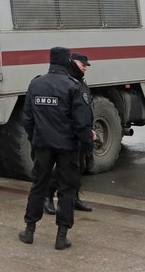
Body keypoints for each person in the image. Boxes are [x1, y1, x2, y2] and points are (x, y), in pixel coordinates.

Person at [19, 47, 94, 250]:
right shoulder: (73, 86)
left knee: (38, 186)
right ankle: (61, 237)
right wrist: (88, 146)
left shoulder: (36, 83)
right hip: (67, 147)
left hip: (42, 145)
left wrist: (35, 138)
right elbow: (82, 123)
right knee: (66, 190)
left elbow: (27, 118)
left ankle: (29, 231)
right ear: (67, 61)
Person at [44, 52, 95, 215]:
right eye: (83, 64)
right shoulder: (68, 82)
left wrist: (88, 129)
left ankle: (73, 198)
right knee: (63, 168)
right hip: (68, 134)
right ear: (73, 63)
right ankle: (48, 196)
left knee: (79, 166)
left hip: (80, 131)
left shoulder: (80, 82)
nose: (86, 67)